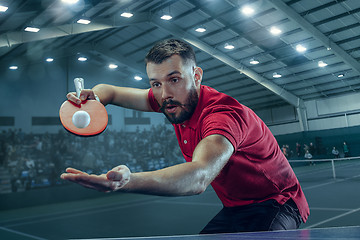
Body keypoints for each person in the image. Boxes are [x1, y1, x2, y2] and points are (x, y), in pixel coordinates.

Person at [61, 39, 309, 234]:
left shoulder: (222, 115)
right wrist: (93, 98)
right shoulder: (171, 100)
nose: (165, 93)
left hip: (278, 203)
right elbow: (111, 91)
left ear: (197, 76)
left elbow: (198, 177)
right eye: (156, 83)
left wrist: (126, 181)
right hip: (236, 207)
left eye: (174, 79)